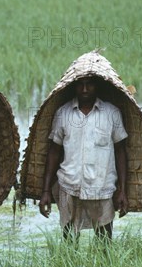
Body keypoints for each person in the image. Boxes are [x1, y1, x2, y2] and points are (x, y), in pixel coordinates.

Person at [39, 75, 128, 241]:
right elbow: (54, 152)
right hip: (69, 185)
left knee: (104, 242)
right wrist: (45, 191)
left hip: (102, 187)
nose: (85, 89)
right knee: (70, 242)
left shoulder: (111, 113)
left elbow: (120, 151)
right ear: (74, 86)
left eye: (90, 85)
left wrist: (122, 190)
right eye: (80, 84)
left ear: (97, 86)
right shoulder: (63, 113)